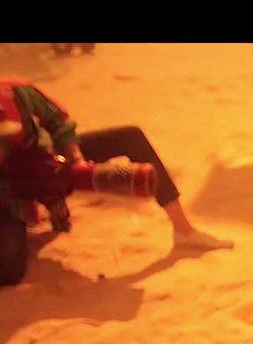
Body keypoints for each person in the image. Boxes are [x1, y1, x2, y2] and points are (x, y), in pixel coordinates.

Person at [0, 77, 233, 267]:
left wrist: (74, 158)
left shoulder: (18, 91)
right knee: (11, 266)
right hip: (8, 189)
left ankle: (184, 231)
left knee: (131, 137)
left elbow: (58, 121)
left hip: (45, 160)